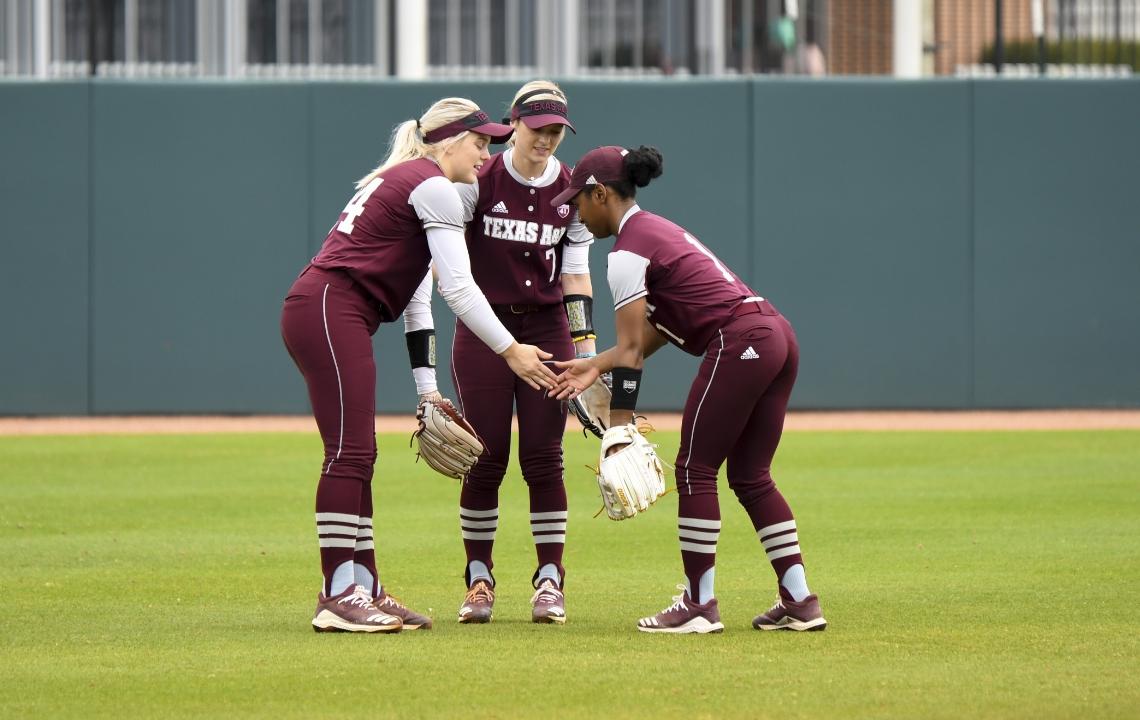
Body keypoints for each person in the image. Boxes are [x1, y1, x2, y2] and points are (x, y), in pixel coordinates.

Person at [280, 98, 558, 634]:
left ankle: (364, 586)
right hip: (330, 306)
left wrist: (427, 389)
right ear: (448, 142)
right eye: (480, 142)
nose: (487, 152)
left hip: (330, 307)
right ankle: (338, 593)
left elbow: (416, 298)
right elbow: (457, 287)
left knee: (359, 453)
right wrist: (510, 350)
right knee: (350, 453)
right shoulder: (432, 185)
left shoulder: (415, 180)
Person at [548, 146, 827, 634]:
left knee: (694, 470)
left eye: (579, 201)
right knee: (750, 475)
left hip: (741, 340)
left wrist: (618, 432)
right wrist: (594, 363)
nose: (576, 211)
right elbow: (650, 336)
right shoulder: (656, 229)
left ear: (601, 193)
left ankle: (699, 605)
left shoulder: (626, 252)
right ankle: (800, 600)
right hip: (775, 333)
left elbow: (633, 350)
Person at [411, 80, 595, 625]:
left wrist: (585, 350)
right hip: (485, 328)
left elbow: (576, 275)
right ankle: (478, 578)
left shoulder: (571, 188)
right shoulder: (477, 178)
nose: (547, 138)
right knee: (485, 456)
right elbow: (446, 263)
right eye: (538, 127)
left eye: (556, 129)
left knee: (544, 456)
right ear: (513, 123)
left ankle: (549, 580)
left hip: (548, 325)